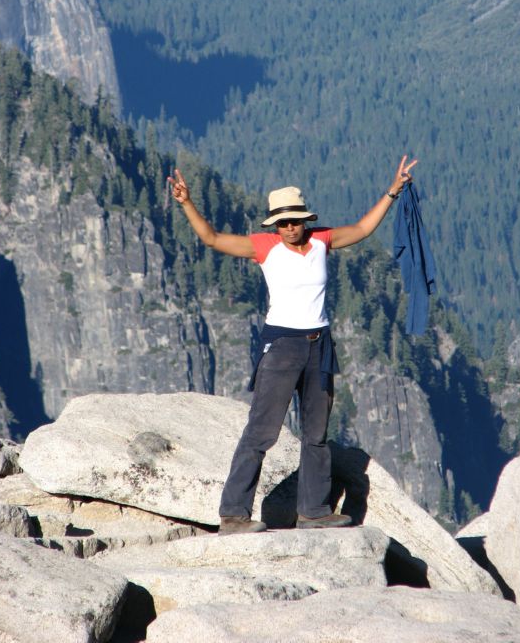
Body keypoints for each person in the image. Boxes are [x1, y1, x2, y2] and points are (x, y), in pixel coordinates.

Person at [168, 155, 417, 535]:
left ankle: (313, 511)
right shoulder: (264, 247)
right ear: (274, 224)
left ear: (306, 219)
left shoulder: (322, 240)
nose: (289, 228)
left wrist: (392, 191)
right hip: (282, 345)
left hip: (319, 346)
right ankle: (233, 514)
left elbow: (364, 228)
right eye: (282, 222)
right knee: (261, 432)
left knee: (316, 434)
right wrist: (186, 202)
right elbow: (212, 239)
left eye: (295, 220)